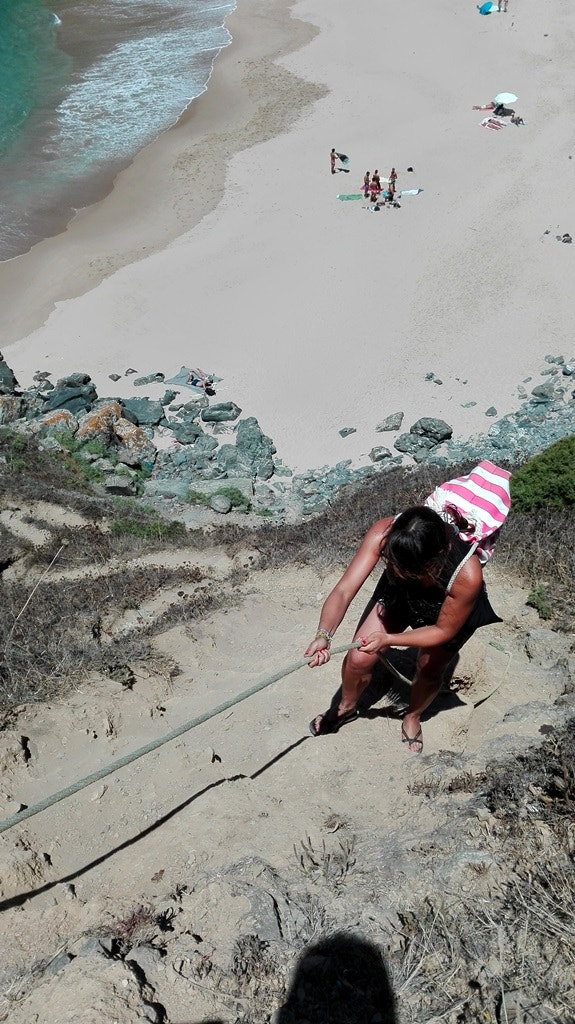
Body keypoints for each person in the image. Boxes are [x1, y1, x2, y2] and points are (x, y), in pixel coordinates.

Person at [304, 505, 501, 753]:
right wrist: (324, 635)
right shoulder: (385, 533)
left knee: (428, 670)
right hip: (400, 592)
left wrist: (388, 639)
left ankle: (412, 716)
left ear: (435, 558)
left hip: (445, 608)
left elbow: (442, 631)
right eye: (390, 562)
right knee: (358, 658)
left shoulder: (466, 575)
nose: (393, 570)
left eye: (403, 568)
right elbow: (344, 590)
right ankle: (346, 706)